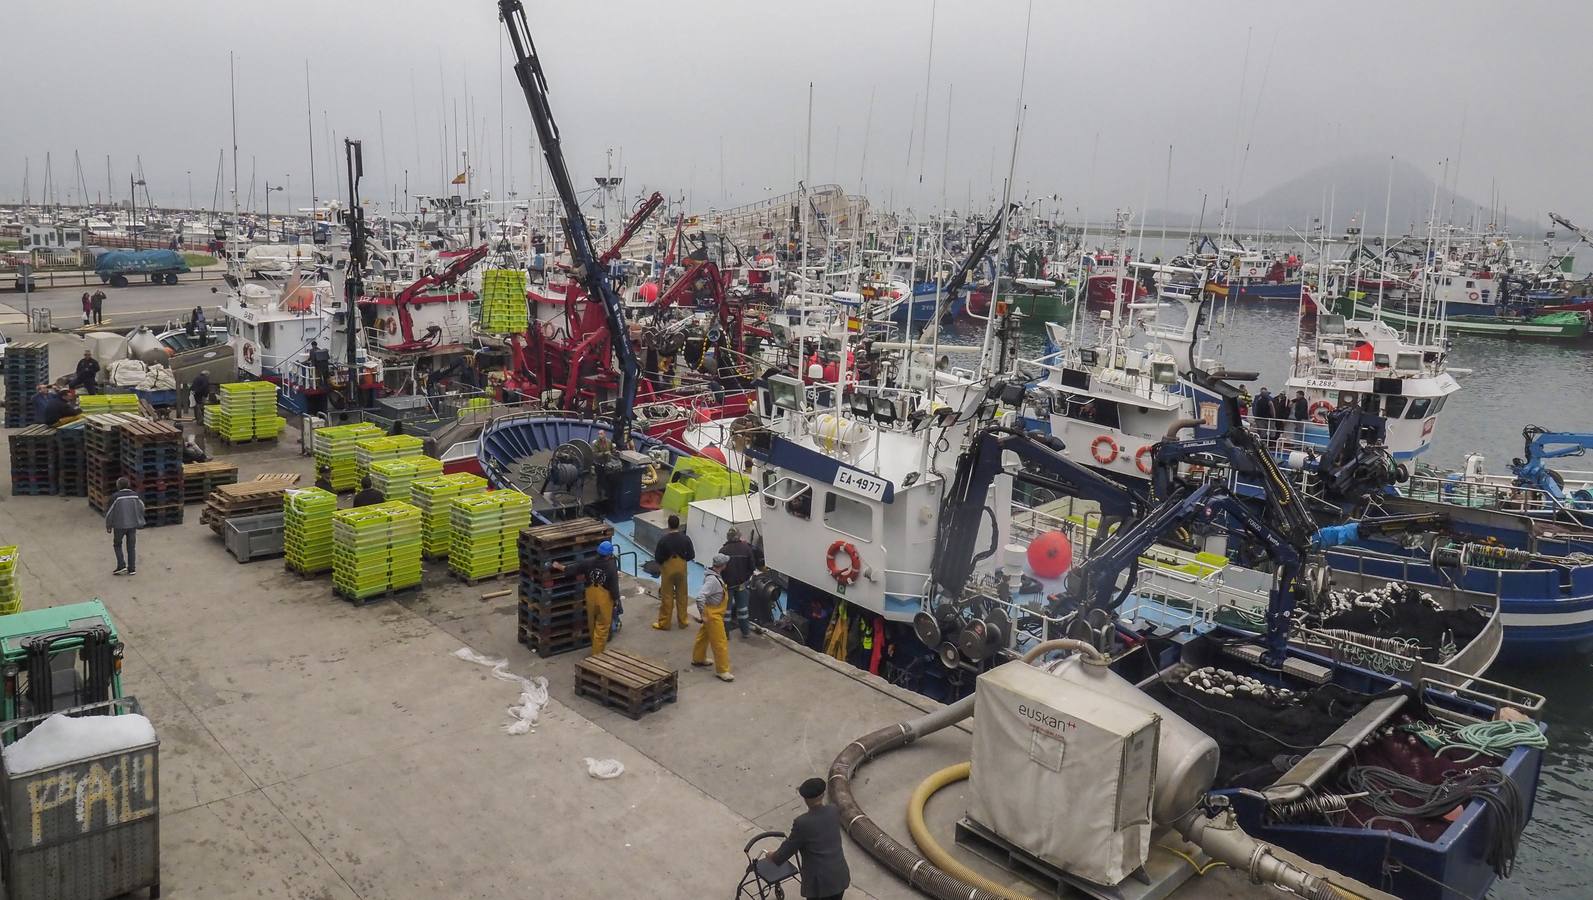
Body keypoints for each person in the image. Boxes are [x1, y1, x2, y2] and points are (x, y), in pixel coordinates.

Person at [764, 778, 851, 900]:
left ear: (805, 799)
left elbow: (783, 854)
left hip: (820, 885)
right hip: (839, 876)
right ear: (823, 794)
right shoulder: (833, 810)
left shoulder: (802, 823)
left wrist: (770, 855)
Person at [691, 553, 734, 682]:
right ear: (723, 566)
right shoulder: (713, 580)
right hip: (713, 615)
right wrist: (702, 614)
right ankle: (722, 670)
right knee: (720, 642)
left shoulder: (712, 576)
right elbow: (700, 597)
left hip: (712, 612)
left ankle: (698, 658)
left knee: (703, 637)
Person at [719, 526, 764, 638]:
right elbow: (752, 567)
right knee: (743, 610)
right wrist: (745, 579)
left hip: (728, 585)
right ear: (739, 536)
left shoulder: (723, 550)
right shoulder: (746, 549)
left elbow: (719, 569)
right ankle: (745, 632)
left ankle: (725, 634)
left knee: (726, 611)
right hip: (742, 584)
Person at [652, 514, 695, 630]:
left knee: (667, 596)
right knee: (682, 596)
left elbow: (658, 558)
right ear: (678, 524)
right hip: (681, 569)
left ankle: (665, 623)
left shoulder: (663, 540)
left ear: (669, 525)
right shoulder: (685, 538)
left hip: (668, 570)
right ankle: (683, 621)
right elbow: (691, 555)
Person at [584, 540, 621, 656]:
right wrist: (616, 600)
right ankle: (597, 655)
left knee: (592, 623)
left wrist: (560, 567)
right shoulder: (611, 566)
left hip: (591, 598)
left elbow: (575, 568)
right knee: (602, 627)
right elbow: (614, 586)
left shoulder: (589, 562)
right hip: (604, 600)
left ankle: (594, 646)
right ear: (609, 554)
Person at [104, 477, 146, 576]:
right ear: (128, 485)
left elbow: (109, 512)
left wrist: (108, 525)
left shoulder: (115, 497)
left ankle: (121, 566)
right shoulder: (135, 496)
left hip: (119, 526)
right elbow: (142, 507)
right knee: (131, 547)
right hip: (132, 525)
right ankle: (132, 568)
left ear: (118, 486)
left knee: (117, 544)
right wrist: (138, 519)